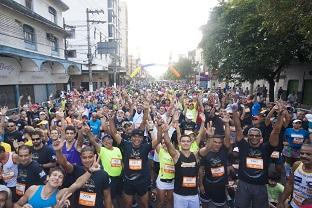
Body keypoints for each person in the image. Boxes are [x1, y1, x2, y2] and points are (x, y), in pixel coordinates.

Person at [232, 102, 284, 208]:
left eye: (257, 135)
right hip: (243, 184)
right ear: (248, 137)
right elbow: (238, 128)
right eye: (251, 135)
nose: (254, 137)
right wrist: (234, 112)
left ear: (261, 137)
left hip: (260, 186)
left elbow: (276, 131)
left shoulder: (266, 148)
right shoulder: (243, 146)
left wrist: (281, 115)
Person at [110, 106, 162, 208]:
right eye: (135, 137)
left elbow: (159, 140)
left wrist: (159, 127)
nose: (137, 139)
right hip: (128, 181)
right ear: (131, 137)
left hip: (142, 181)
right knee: (128, 205)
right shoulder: (125, 144)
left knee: (144, 204)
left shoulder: (146, 147)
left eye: (139, 137)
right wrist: (111, 119)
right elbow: (114, 133)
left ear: (142, 138)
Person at [14, 161, 100, 208]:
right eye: (54, 175)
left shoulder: (61, 194)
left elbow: (77, 184)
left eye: (60, 177)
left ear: (61, 183)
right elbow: (16, 205)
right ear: (48, 177)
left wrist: (90, 171)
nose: (56, 178)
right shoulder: (33, 189)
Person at [54, 139, 112, 208]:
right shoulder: (75, 170)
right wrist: (58, 151)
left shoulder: (103, 174)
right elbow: (64, 164)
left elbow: (107, 196)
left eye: (90, 157)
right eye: (84, 158)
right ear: (80, 158)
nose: (87, 160)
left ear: (94, 157)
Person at [162, 123, 200, 208]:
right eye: (183, 141)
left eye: (187, 141)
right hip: (179, 195)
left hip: (194, 194)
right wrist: (166, 132)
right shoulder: (176, 155)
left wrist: (210, 137)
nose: (185, 143)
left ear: (191, 142)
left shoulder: (196, 155)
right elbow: (168, 143)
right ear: (180, 143)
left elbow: (207, 148)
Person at [199, 114, 231, 208]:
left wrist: (226, 123)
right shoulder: (205, 152)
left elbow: (228, 138)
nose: (217, 144)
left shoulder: (223, 150)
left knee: (220, 205)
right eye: (215, 142)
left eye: (219, 142)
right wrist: (200, 185)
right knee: (205, 204)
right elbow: (201, 169)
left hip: (220, 185)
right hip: (207, 184)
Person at [278, 143, 312, 208]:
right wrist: (282, 201)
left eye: (308, 154)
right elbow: (290, 184)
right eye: (302, 153)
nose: (304, 156)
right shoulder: (297, 165)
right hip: (293, 204)